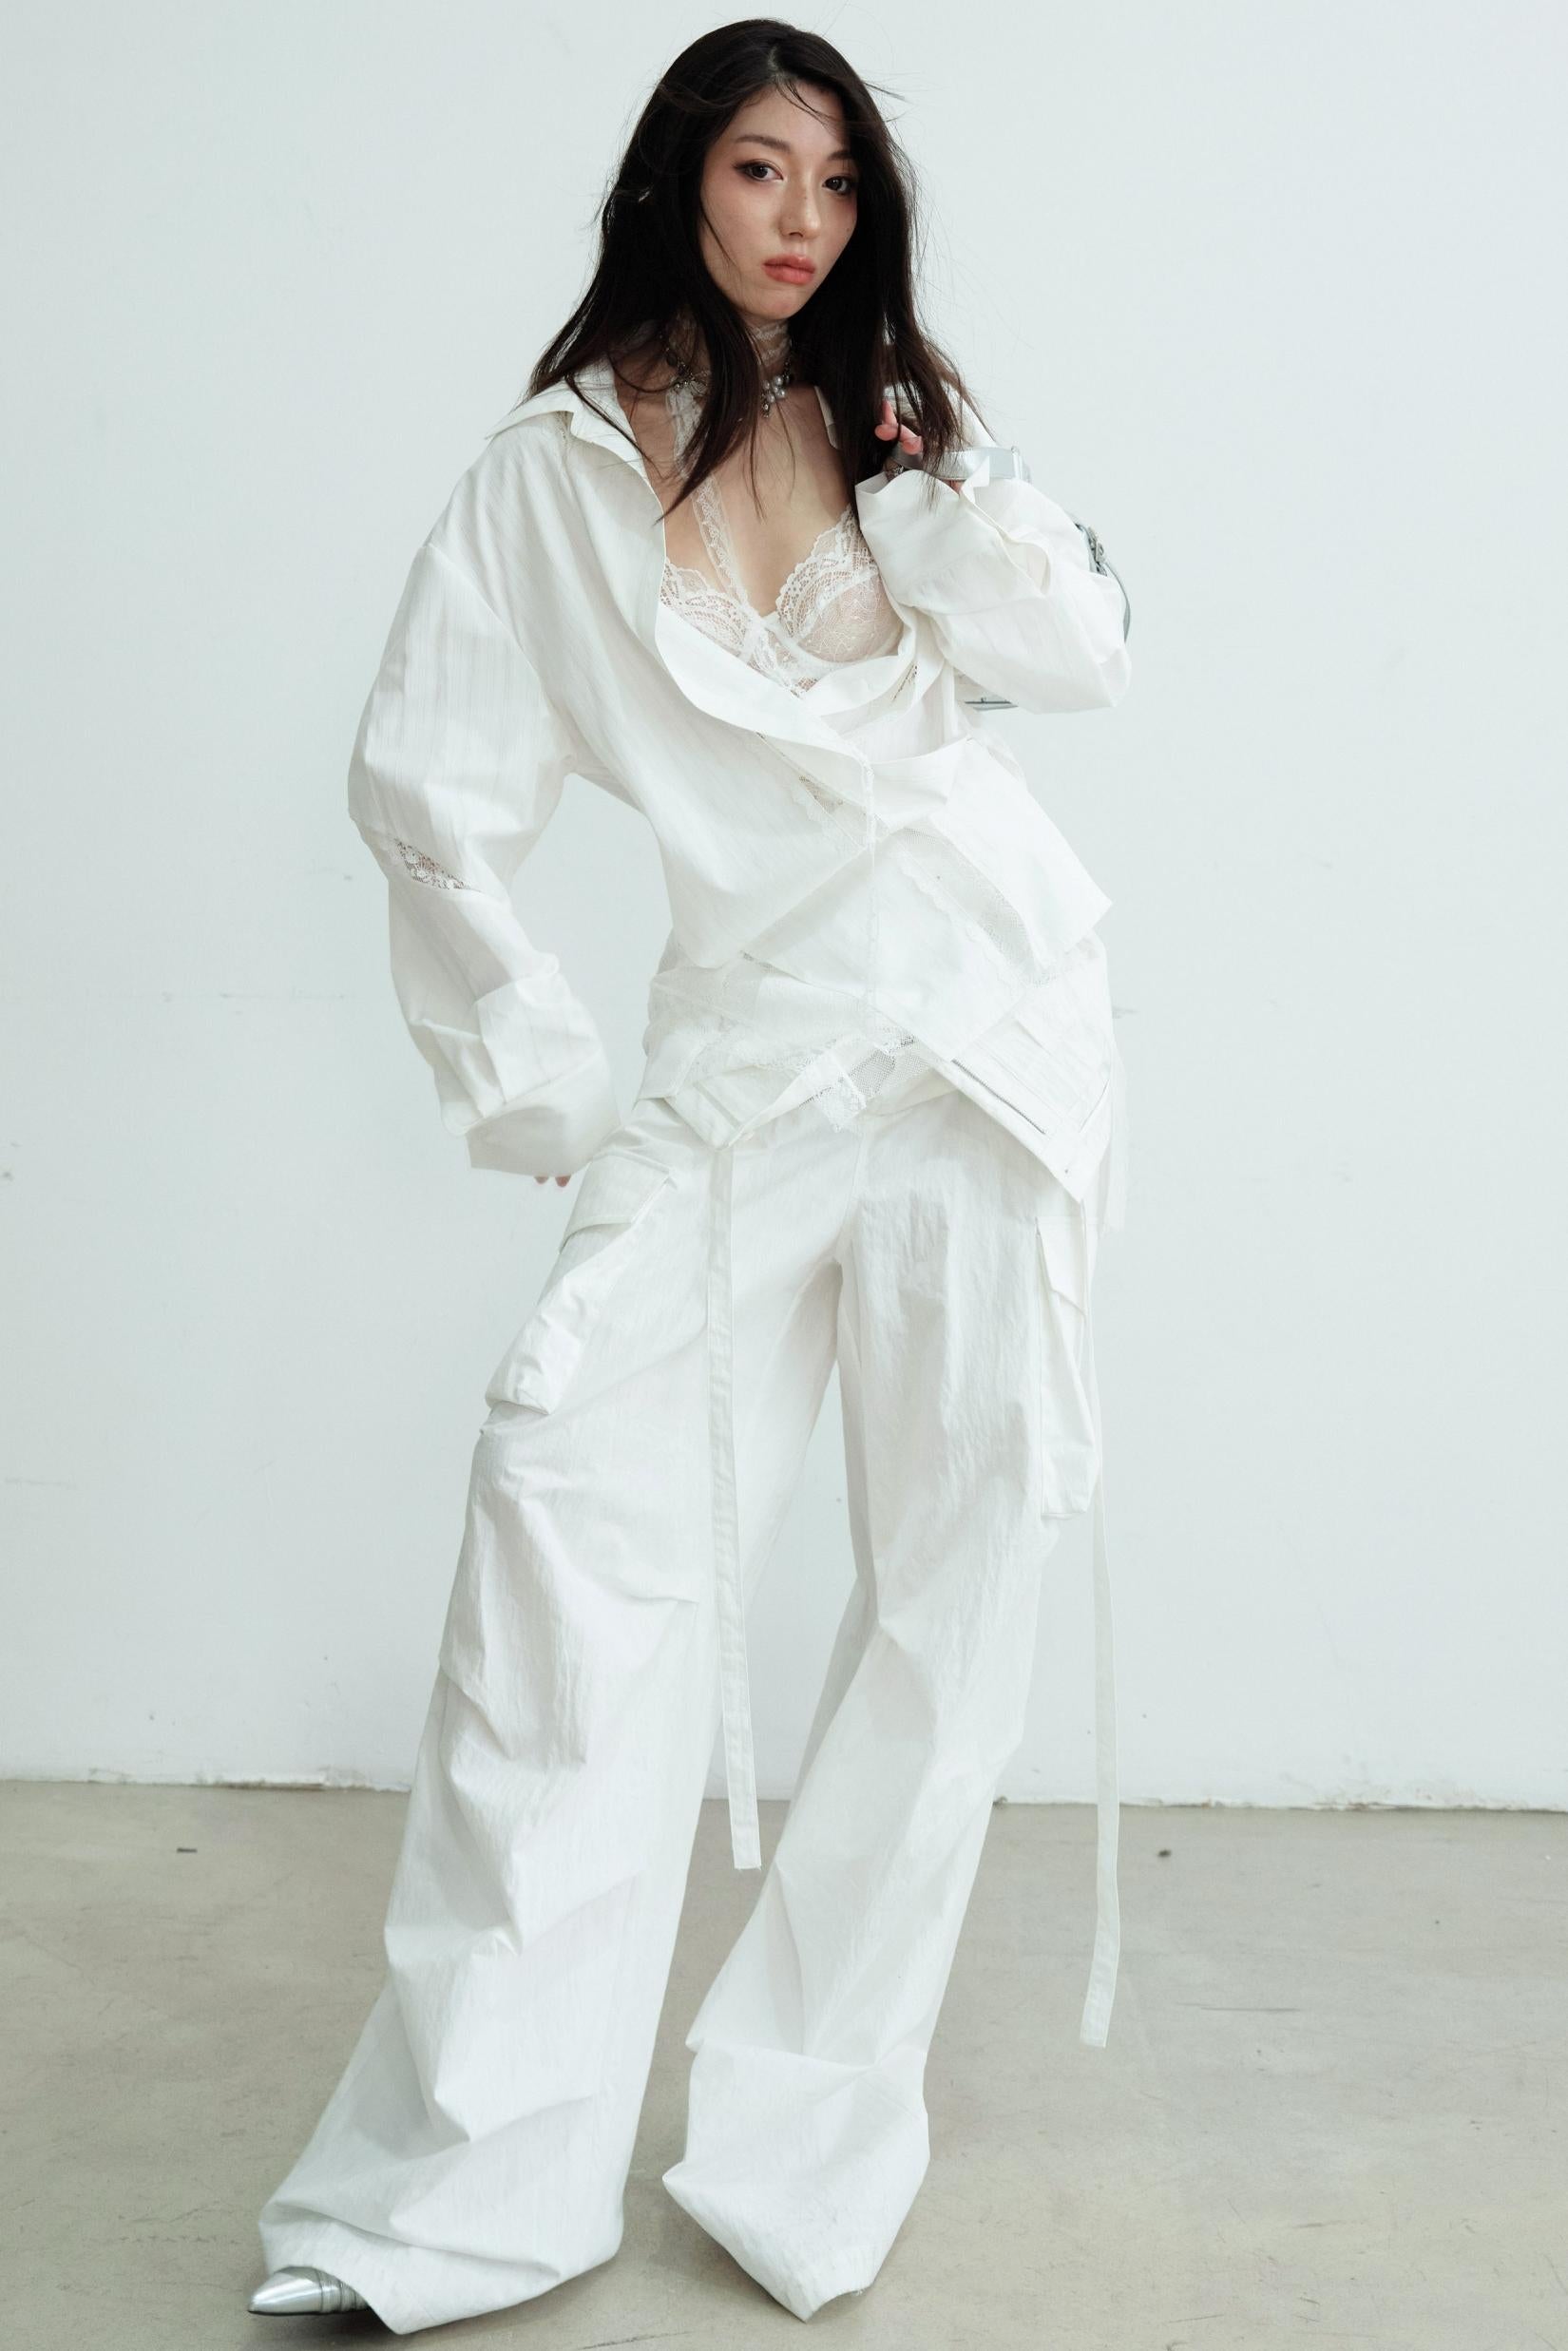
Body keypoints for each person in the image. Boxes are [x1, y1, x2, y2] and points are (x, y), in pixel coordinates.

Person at [250, 17, 1133, 2335]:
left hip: (990, 1036)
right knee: (568, 1510)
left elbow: (1082, 656)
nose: (802, 221)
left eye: (838, 183)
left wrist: (940, 485)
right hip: (750, 1062)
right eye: (762, 170)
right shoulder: (545, 480)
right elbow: (425, 788)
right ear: (677, 180)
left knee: (953, 1597)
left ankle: (804, 2140)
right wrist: (537, 1074)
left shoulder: (898, 427)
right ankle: (469, 2180)